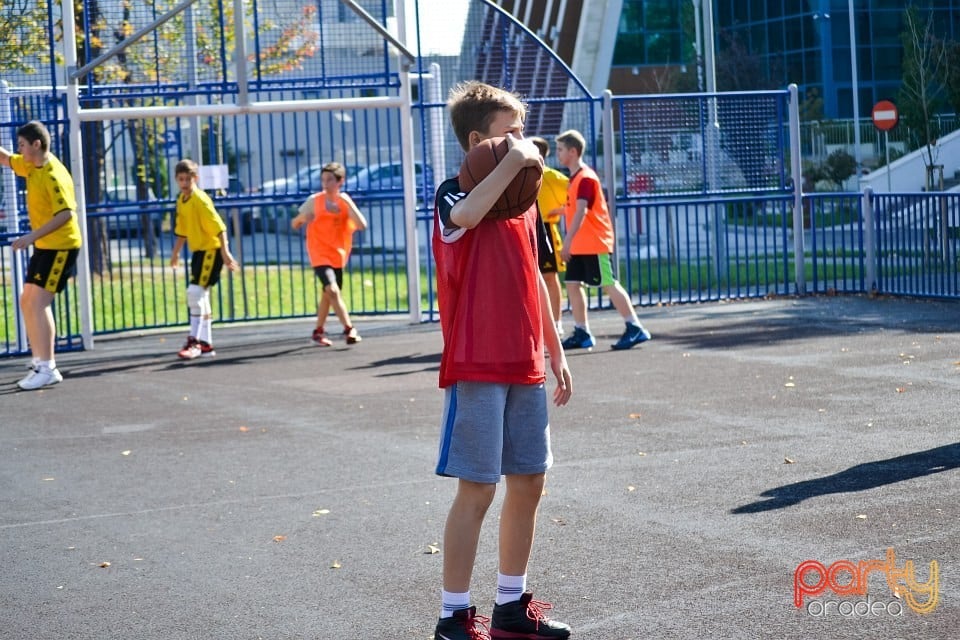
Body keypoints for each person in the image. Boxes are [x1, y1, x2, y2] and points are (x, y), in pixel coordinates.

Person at [432, 81, 573, 640]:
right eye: (509, 133)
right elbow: (465, 216)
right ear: (478, 142)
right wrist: (515, 156)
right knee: (478, 487)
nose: (524, 142)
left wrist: (555, 347)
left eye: (523, 131)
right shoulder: (453, 192)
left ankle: (511, 607)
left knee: (530, 481)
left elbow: (533, 279)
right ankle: (453, 616)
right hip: (477, 362)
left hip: (525, 361)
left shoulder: (525, 202)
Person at [0, 121, 82, 390]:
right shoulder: (31, 165)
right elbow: (4, 159)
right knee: (27, 300)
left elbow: (67, 214)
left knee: (38, 304)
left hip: (62, 246)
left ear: (36, 144)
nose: (18, 149)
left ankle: (48, 368)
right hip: (46, 245)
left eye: (22, 145)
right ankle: (40, 361)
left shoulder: (53, 174)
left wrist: (30, 237)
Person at [555, 129, 652, 351]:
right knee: (572, 284)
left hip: (594, 242)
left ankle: (634, 326)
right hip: (581, 244)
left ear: (573, 151)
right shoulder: (575, 178)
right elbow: (574, 209)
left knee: (608, 284)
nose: (558, 154)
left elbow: (582, 212)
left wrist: (567, 241)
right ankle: (582, 331)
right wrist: (559, 211)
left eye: (560, 149)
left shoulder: (586, 178)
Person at [290, 162, 367, 346]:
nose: (325, 184)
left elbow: (362, 225)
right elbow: (294, 223)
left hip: (338, 255)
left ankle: (318, 332)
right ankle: (349, 328)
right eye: (323, 179)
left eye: (330, 180)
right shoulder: (314, 201)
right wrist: (303, 218)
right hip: (319, 253)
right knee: (332, 290)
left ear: (340, 181)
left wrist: (348, 203)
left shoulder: (344, 202)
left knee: (328, 294)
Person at [169, 159, 239, 359]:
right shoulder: (182, 201)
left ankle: (195, 342)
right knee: (201, 297)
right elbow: (182, 231)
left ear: (195, 179)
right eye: (181, 179)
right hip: (199, 251)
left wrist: (225, 254)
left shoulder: (201, 200)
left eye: (187, 179)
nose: (184, 183)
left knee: (195, 293)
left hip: (212, 250)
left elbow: (219, 227)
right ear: (176, 180)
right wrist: (175, 253)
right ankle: (206, 344)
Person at [529, 136, 568, 337]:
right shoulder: (518, 175)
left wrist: (560, 211)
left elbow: (578, 198)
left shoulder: (553, 177)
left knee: (549, 278)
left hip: (545, 230)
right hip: (525, 228)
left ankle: (556, 323)